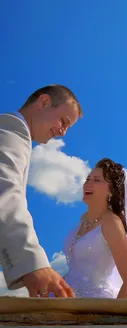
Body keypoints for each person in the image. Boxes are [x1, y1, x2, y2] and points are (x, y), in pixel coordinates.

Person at [0, 84, 82, 298]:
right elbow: (5, 193)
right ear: (44, 102)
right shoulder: (11, 129)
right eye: (63, 122)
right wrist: (33, 263)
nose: (62, 132)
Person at [63, 158, 127, 298]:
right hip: (65, 299)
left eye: (97, 180)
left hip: (95, 304)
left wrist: (112, 317)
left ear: (111, 191)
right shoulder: (82, 221)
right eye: (88, 179)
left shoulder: (111, 223)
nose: (88, 183)